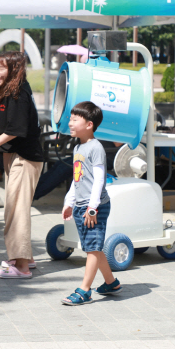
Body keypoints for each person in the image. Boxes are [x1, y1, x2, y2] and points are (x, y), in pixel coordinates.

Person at [0, 51, 44, 279]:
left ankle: (21, 268)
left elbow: (17, 128)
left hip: (24, 158)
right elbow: (9, 125)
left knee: (16, 211)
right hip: (17, 156)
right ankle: (24, 257)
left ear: (14, 70)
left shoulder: (18, 93)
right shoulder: (13, 91)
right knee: (14, 208)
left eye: (1, 68)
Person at [60, 101, 121, 305]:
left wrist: (93, 208)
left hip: (94, 208)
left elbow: (99, 179)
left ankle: (84, 290)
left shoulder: (96, 148)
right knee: (93, 247)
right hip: (82, 206)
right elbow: (77, 180)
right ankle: (111, 283)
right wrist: (69, 202)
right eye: (71, 118)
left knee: (92, 249)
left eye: (75, 119)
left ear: (89, 124)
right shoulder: (79, 146)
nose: (70, 123)